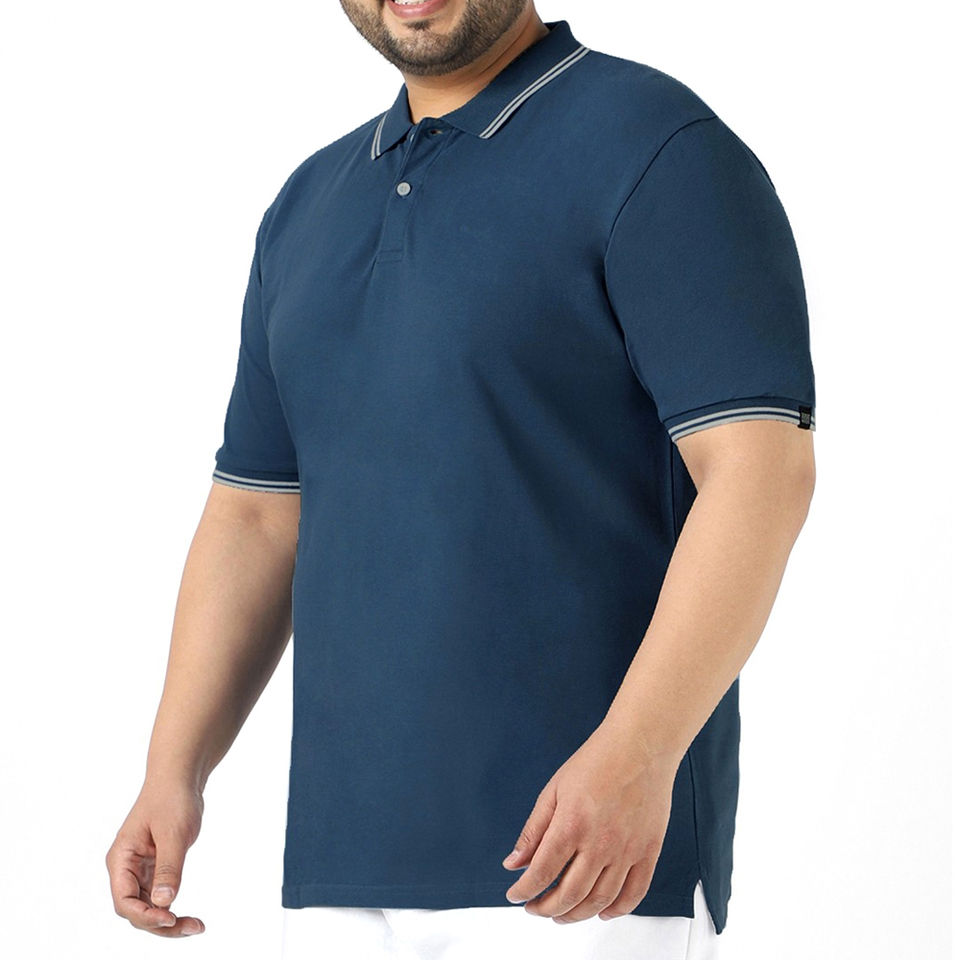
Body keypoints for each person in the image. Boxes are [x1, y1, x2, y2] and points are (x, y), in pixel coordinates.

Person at [105, 2, 817, 957]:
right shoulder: (309, 204)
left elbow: (761, 476)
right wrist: (174, 771)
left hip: (579, 866)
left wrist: (640, 754)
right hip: (342, 862)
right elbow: (257, 516)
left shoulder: (659, 148)